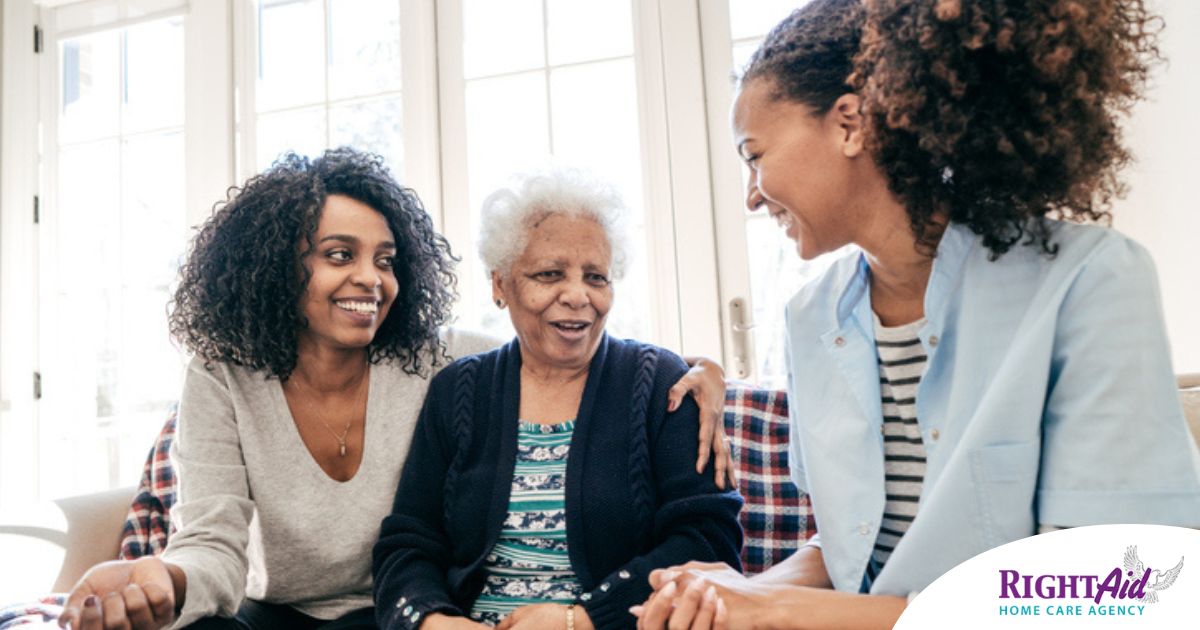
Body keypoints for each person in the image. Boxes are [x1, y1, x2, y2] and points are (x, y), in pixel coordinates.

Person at [635, 0, 1200, 628]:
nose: (750, 195)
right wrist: (735, 593)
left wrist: (783, 613)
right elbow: (854, 545)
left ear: (849, 124)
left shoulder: (1089, 281)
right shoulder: (808, 317)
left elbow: (1119, 592)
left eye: (755, 154)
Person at [56, 149, 729, 630]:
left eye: (385, 260)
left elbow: (563, 355)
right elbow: (214, 547)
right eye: (338, 255)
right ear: (274, 268)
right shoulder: (226, 376)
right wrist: (163, 579)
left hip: (381, 613)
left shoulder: (436, 362)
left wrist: (704, 371)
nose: (371, 280)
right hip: (281, 611)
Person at [371, 169, 744, 630]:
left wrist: (583, 619)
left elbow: (708, 540)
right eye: (549, 275)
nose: (577, 296)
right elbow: (409, 542)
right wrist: (431, 620)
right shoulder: (458, 390)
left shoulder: (662, 385)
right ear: (499, 285)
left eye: (596, 277)